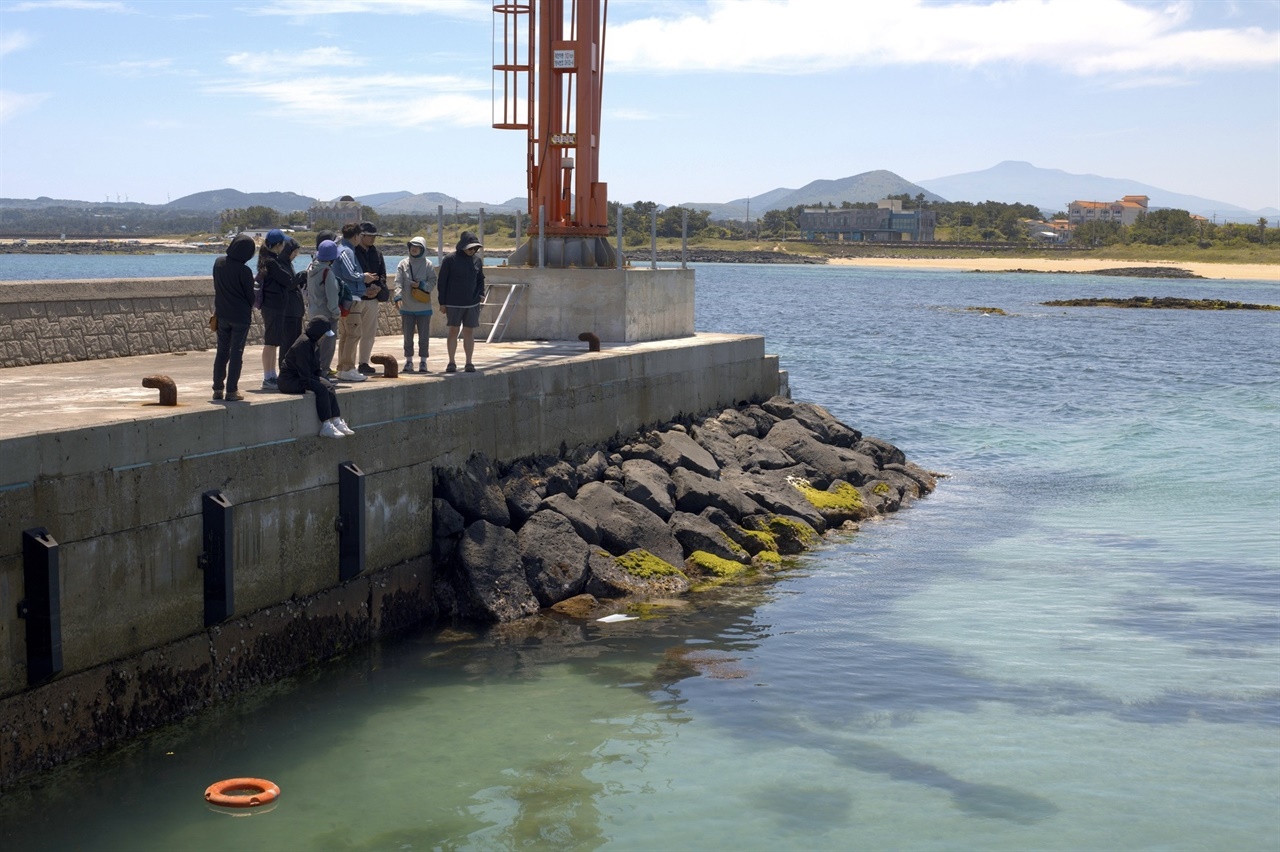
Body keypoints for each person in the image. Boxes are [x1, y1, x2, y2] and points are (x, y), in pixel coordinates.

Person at [278, 317, 355, 439]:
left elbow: (316, 368)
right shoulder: (303, 344)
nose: (324, 337)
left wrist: (323, 380)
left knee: (329, 386)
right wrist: (312, 386)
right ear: (317, 332)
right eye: (323, 334)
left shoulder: (314, 342)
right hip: (289, 380)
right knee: (321, 389)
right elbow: (303, 371)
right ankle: (326, 425)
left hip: (304, 376)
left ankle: (336, 420)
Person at [211, 233, 257, 401]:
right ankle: (232, 390)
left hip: (222, 313)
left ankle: (217, 389)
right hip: (240, 316)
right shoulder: (244, 271)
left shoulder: (218, 263)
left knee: (222, 352)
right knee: (236, 353)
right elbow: (250, 297)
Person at [256, 229, 302, 389]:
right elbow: (287, 280)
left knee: (274, 342)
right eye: (283, 243)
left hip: (273, 306)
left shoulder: (267, 259)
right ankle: (268, 377)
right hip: (273, 306)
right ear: (279, 245)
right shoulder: (272, 262)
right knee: (270, 343)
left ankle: (271, 375)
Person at [334, 222, 378, 383]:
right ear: (355, 236)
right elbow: (349, 273)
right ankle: (348, 368)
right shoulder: (346, 251)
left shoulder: (344, 249)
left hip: (350, 297)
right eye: (360, 235)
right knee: (353, 334)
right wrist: (363, 277)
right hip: (351, 299)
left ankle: (343, 368)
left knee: (347, 335)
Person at [436, 230, 485, 373]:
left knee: (469, 331)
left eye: (474, 248)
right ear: (462, 246)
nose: (472, 250)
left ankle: (469, 362)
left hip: (472, 303)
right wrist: (442, 302)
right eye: (470, 247)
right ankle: (451, 362)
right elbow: (442, 282)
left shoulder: (477, 260)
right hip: (453, 302)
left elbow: (481, 278)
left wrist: (481, 294)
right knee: (453, 330)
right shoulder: (450, 259)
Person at [393, 236, 436, 373]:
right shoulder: (403, 264)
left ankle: (423, 362)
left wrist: (421, 285)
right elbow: (397, 282)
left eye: (417, 246)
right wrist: (398, 296)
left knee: (424, 337)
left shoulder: (428, 264)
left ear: (423, 249)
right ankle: (408, 361)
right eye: (412, 246)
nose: (414, 248)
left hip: (423, 307)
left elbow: (433, 282)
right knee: (407, 336)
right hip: (406, 307)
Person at [352, 221, 389, 376]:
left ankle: (364, 362)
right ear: (361, 235)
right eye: (370, 236)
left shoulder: (377, 253)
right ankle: (348, 364)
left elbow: (382, 274)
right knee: (353, 333)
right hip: (356, 298)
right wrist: (364, 289)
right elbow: (349, 275)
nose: (373, 239)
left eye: (374, 236)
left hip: (372, 300)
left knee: (369, 333)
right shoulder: (351, 252)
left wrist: (378, 287)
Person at [306, 239, 344, 376]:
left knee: (315, 343)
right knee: (328, 345)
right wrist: (336, 313)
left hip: (313, 313)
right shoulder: (328, 273)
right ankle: (324, 371)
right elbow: (332, 296)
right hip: (327, 315)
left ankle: (314, 370)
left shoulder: (311, 269)